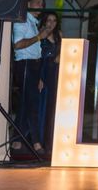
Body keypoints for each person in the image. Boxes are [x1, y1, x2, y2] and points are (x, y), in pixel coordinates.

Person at [11, 0, 51, 153]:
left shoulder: (32, 23)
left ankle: (17, 140)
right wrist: (39, 37)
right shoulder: (22, 21)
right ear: (28, 3)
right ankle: (35, 142)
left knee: (26, 103)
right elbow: (18, 45)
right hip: (25, 64)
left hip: (33, 65)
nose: (40, 6)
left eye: (42, 4)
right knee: (31, 103)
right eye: (37, 3)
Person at [37, 11, 61, 152]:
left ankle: (50, 141)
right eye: (49, 20)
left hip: (56, 73)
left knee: (53, 108)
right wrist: (39, 77)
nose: (51, 23)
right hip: (43, 72)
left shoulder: (59, 36)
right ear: (44, 21)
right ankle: (39, 140)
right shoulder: (39, 35)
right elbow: (37, 58)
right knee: (42, 106)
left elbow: (63, 53)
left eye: (54, 21)